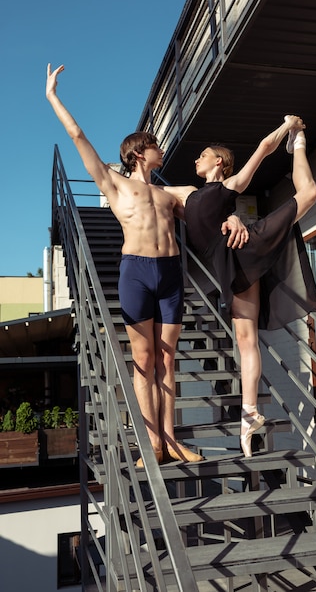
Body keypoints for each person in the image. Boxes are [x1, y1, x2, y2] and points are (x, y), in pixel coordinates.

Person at [45, 64, 246, 466]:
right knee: (144, 360)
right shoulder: (114, 184)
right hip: (136, 272)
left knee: (168, 360)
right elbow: (77, 136)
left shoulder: (172, 194)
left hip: (171, 276)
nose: (161, 149)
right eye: (155, 144)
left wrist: (235, 217)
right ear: (139, 153)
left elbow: (212, 210)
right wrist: (52, 96)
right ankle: (151, 444)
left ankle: (171, 442)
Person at [162, 115, 316, 457]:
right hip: (232, 270)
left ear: (218, 162)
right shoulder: (184, 194)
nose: (195, 159)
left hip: (248, 248)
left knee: (308, 194)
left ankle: (298, 145)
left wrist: (287, 126)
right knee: (247, 340)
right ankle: (249, 414)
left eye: (202, 155)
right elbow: (149, 191)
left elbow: (264, 149)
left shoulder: (228, 186)